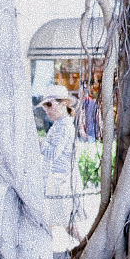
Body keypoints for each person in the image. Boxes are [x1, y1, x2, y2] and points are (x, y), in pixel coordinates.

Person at [38, 84, 84, 243]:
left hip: (61, 181)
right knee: (54, 224)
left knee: (63, 225)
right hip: (58, 180)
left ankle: (87, 250)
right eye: (45, 106)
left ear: (64, 103)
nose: (47, 109)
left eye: (50, 104)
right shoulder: (61, 125)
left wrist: (38, 142)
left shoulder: (64, 127)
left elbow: (53, 153)